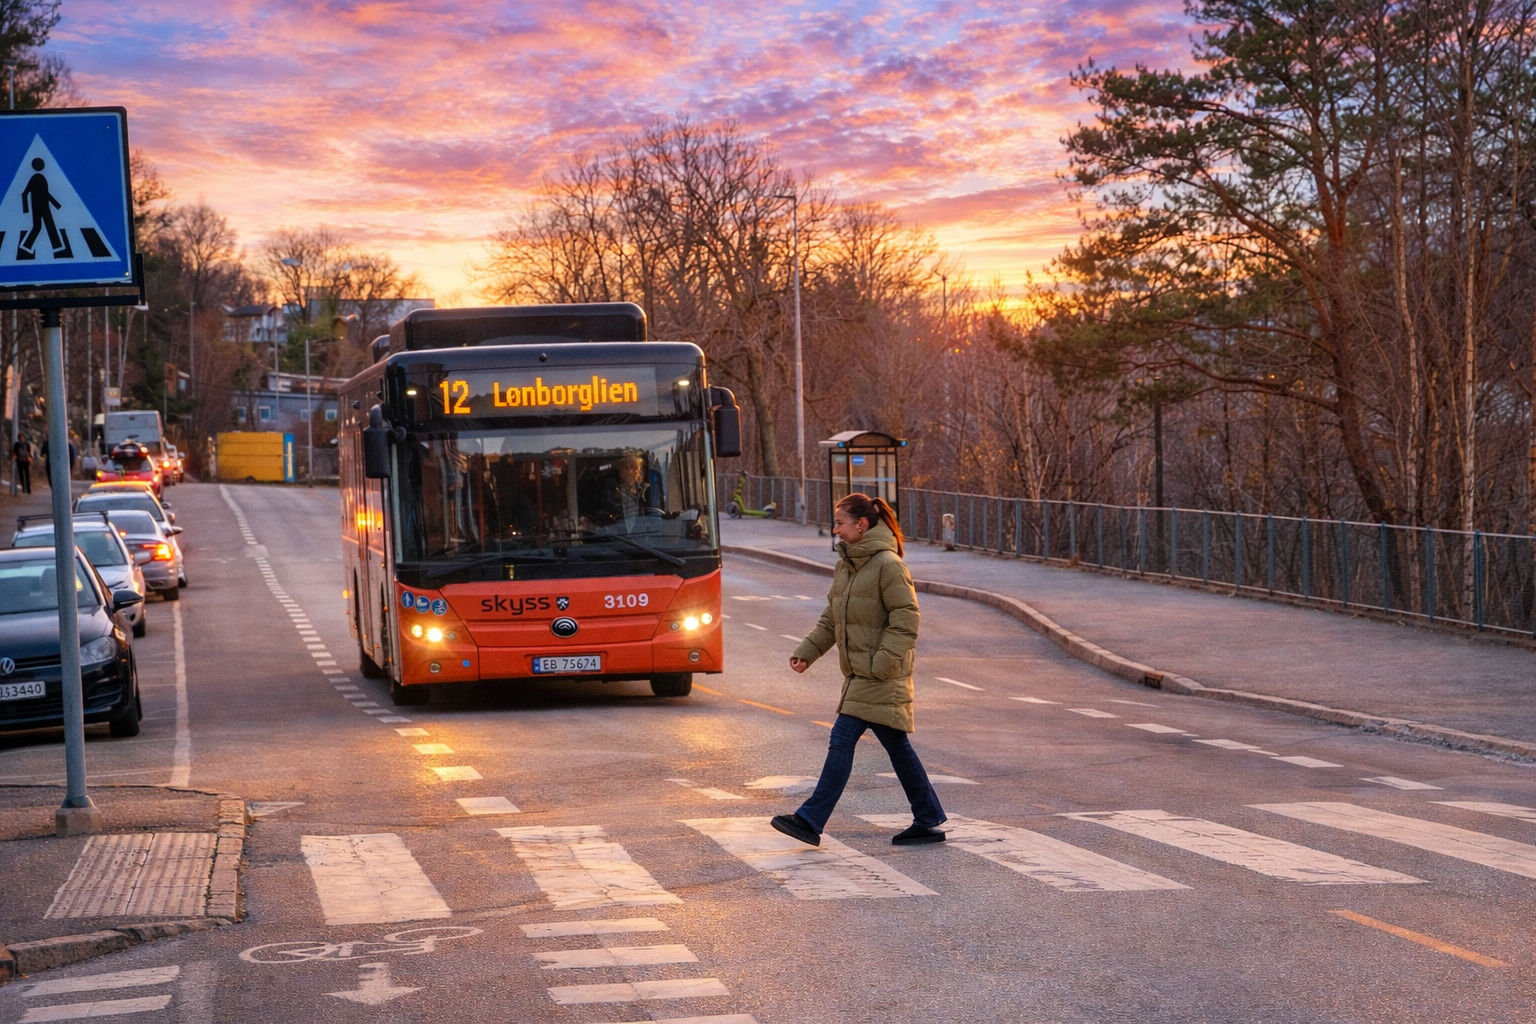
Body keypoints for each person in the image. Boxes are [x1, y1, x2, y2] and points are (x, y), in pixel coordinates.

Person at [772, 492, 946, 848]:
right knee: (897, 747)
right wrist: (807, 652)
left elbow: (906, 620)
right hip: (863, 674)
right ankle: (927, 817)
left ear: (861, 525)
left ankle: (810, 819)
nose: (835, 530)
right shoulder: (847, 566)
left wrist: (881, 663)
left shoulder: (888, 565)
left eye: (840, 523)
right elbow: (831, 619)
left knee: (841, 739)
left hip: (879, 674)